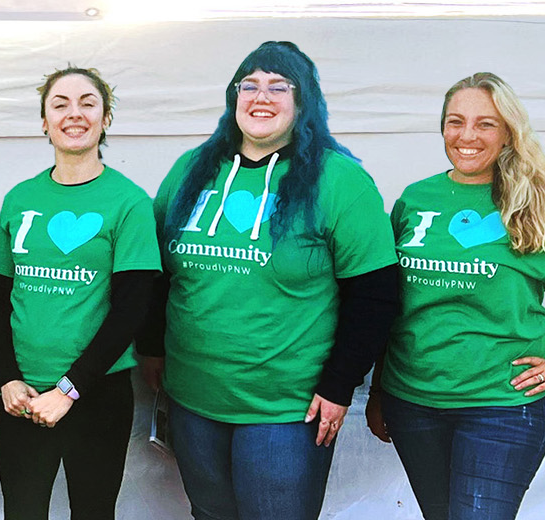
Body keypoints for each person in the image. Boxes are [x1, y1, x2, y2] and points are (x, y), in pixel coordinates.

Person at [136, 41, 400, 520]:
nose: (262, 97)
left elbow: (375, 295)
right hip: (194, 398)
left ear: (304, 102)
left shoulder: (339, 181)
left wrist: (340, 385)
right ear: (233, 97)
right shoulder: (192, 170)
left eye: (280, 87)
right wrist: (153, 348)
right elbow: (156, 273)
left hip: (286, 412)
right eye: (250, 85)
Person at [368, 72, 545, 520]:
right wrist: (380, 388)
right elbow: (394, 304)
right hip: (412, 401)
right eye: (456, 122)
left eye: (485, 124)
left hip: (502, 407)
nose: (467, 135)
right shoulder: (416, 200)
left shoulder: (539, 203)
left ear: (509, 132)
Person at [0, 67, 159, 519]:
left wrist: (68, 390)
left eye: (87, 103)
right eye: (60, 104)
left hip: (96, 396)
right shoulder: (20, 199)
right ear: (44, 121)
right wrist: (7, 379)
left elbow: (131, 309)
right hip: (22, 398)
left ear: (105, 119)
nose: (73, 113)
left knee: (93, 512)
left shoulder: (129, 202)